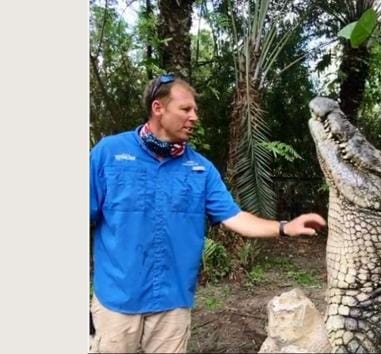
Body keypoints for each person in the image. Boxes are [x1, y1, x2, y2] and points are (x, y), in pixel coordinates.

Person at [89, 73, 326, 353]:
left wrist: (284, 227)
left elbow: (235, 217)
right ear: (158, 108)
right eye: (186, 109)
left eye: (196, 111)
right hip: (117, 298)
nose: (194, 117)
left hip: (172, 300)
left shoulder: (200, 169)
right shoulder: (109, 153)